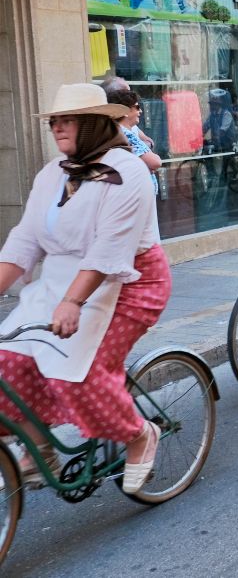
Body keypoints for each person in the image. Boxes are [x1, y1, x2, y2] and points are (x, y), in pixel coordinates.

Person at [0, 83, 168, 492]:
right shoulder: (50, 174)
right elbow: (25, 240)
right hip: (59, 282)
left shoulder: (129, 173)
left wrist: (73, 301)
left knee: (76, 374)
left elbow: (110, 249)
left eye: (67, 120)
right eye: (54, 121)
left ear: (93, 123)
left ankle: (139, 434)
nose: (57, 127)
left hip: (127, 283)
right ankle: (41, 453)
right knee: (8, 361)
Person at [103, 84, 161, 193]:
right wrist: (148, 162)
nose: (141, 111)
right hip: (136, 196)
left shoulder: (117, 131)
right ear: (125, 111)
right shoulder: (124, 134)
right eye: (137, 107)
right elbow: (155, 162)